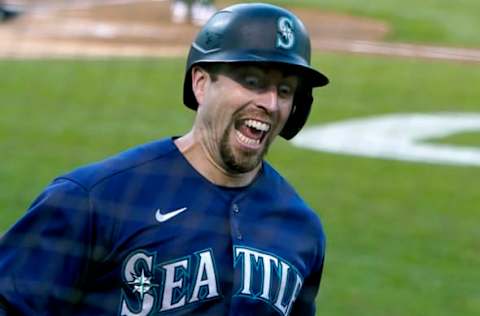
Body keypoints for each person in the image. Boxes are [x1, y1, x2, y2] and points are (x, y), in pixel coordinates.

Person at [0, 3, 329, 315]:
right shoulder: (94, 199)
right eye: (252, 81)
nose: (270, 103)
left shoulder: (301, 229)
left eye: (285, 90)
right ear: (201, 84)